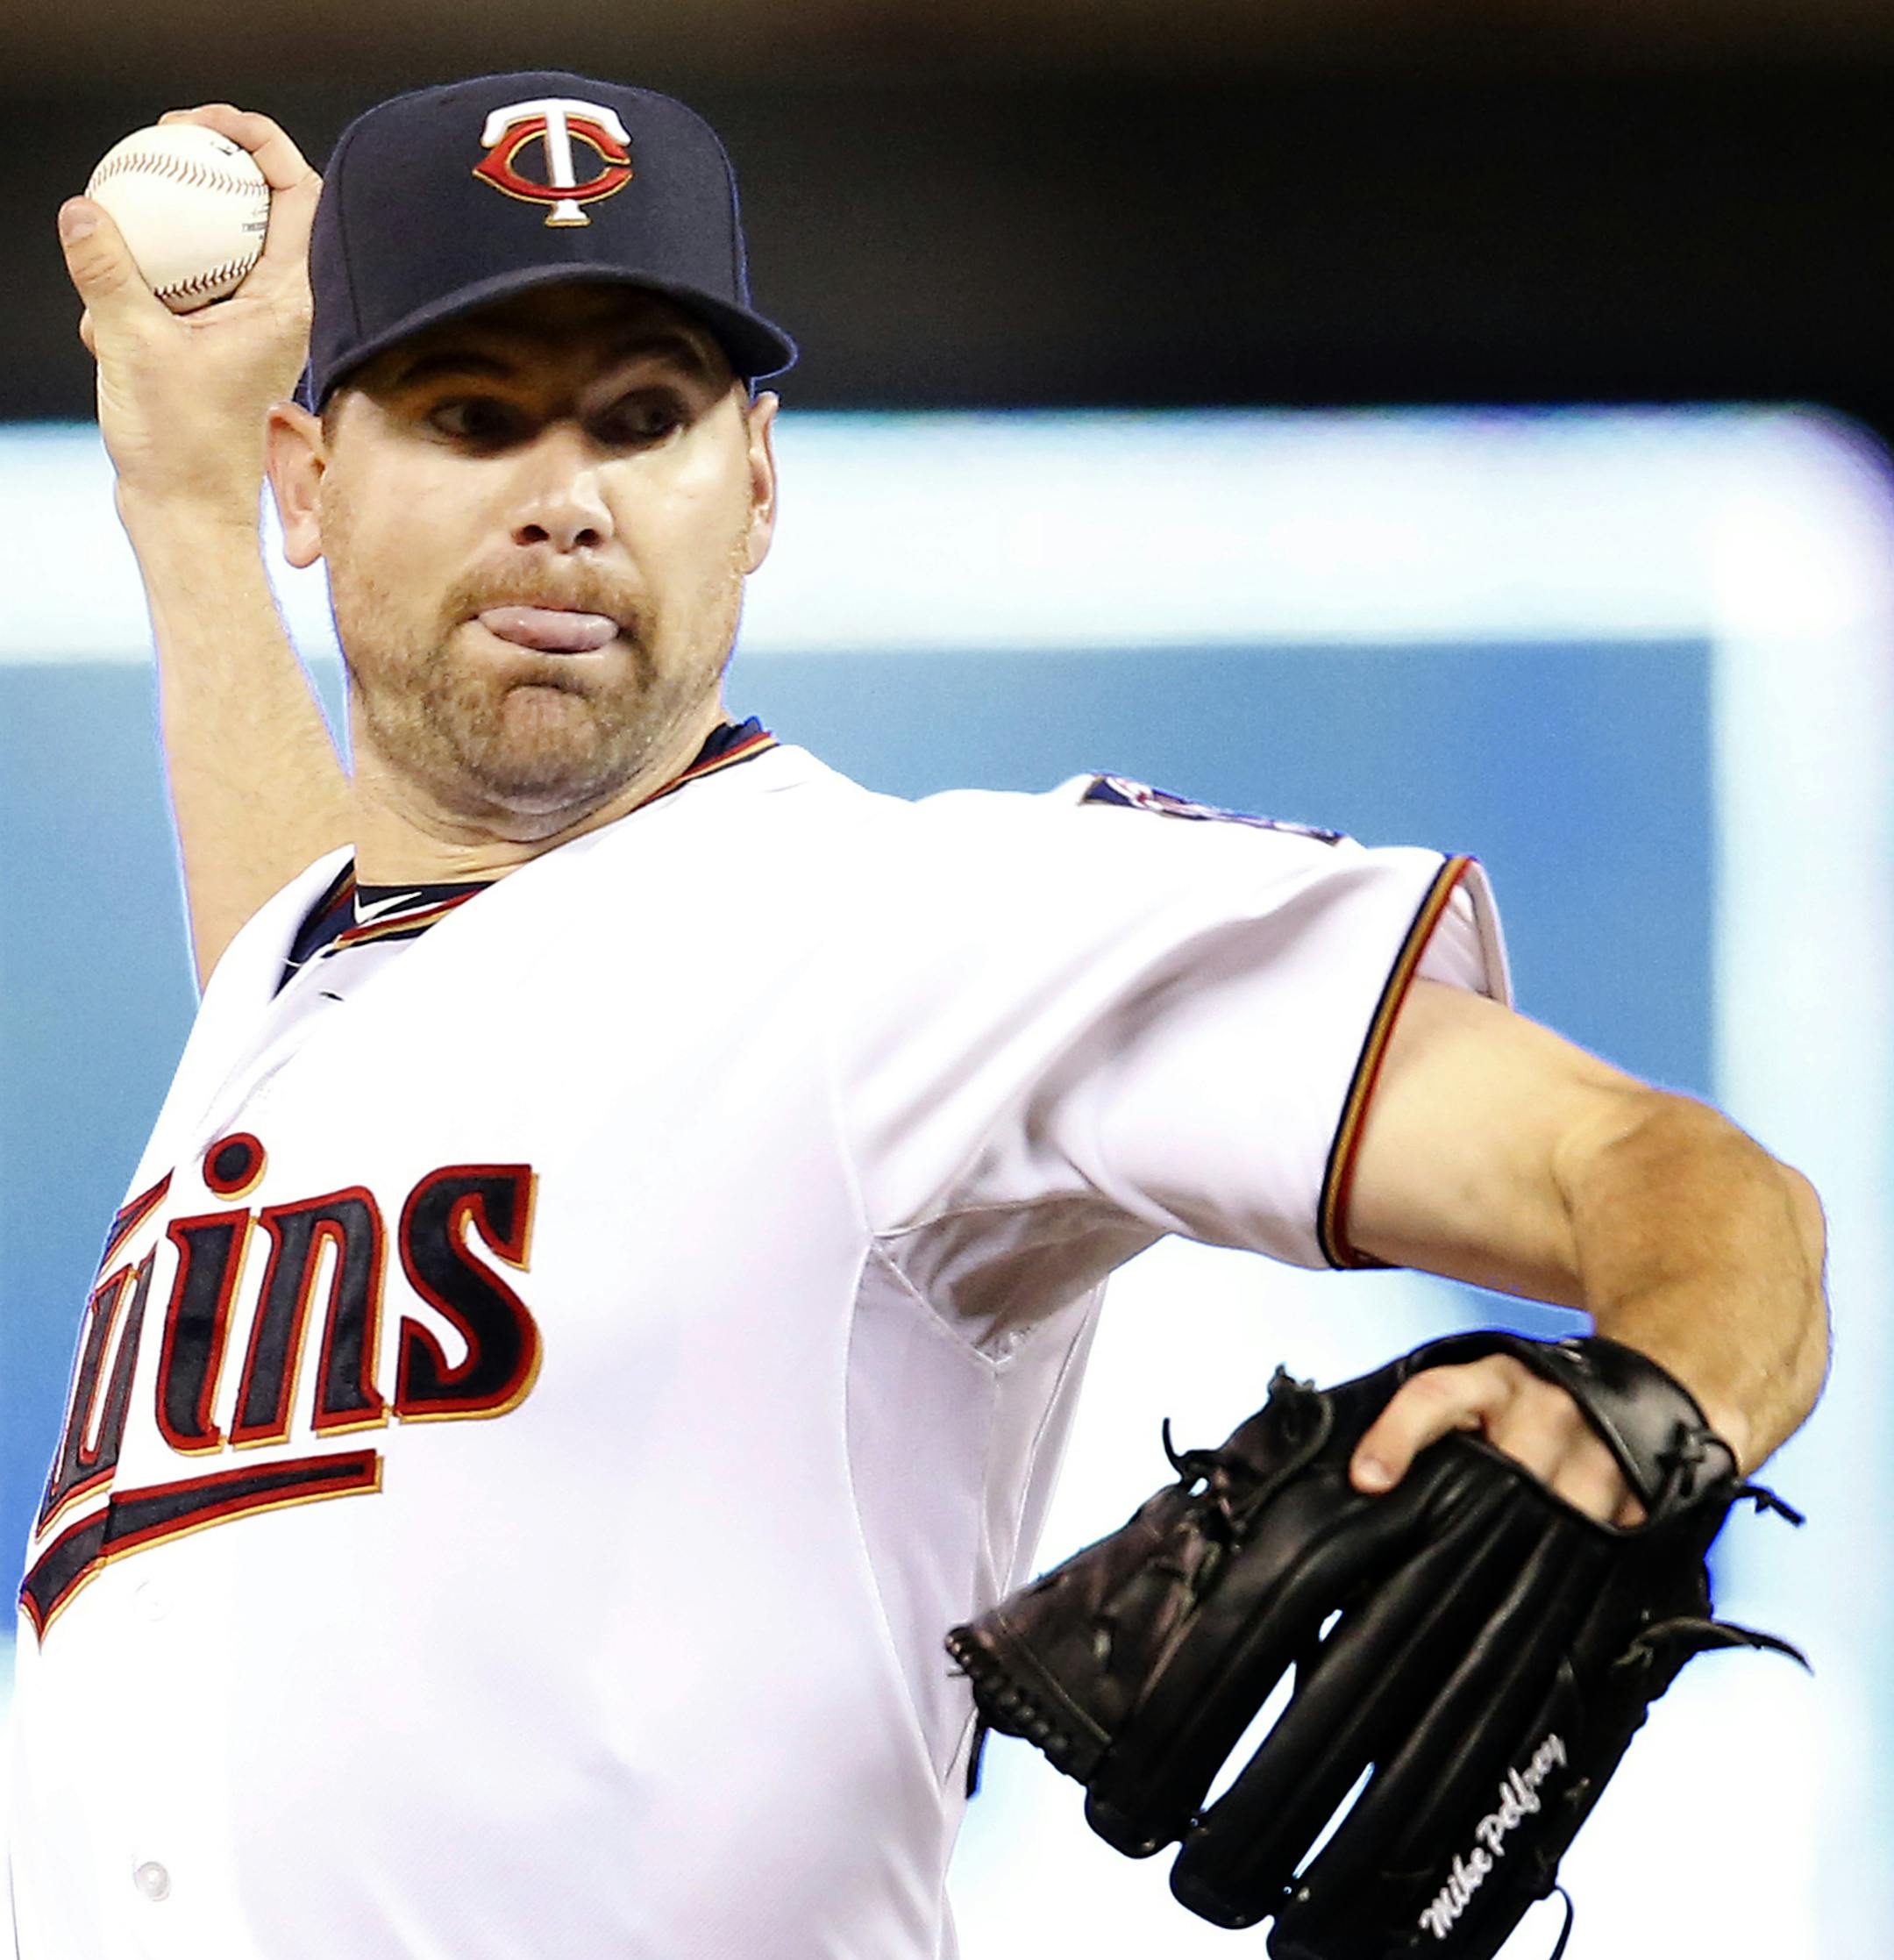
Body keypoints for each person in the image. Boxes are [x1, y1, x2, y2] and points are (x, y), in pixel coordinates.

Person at [12, 70, 1826, 1958]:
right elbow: (362, 1004)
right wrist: (180, 506)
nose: (566, 502)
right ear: (316, 481)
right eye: (476, 418)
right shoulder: (303, 1000)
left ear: (761, 487)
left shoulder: (917, 933)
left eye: (645, 421)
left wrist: (1646, 1406)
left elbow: (1669, 1173)